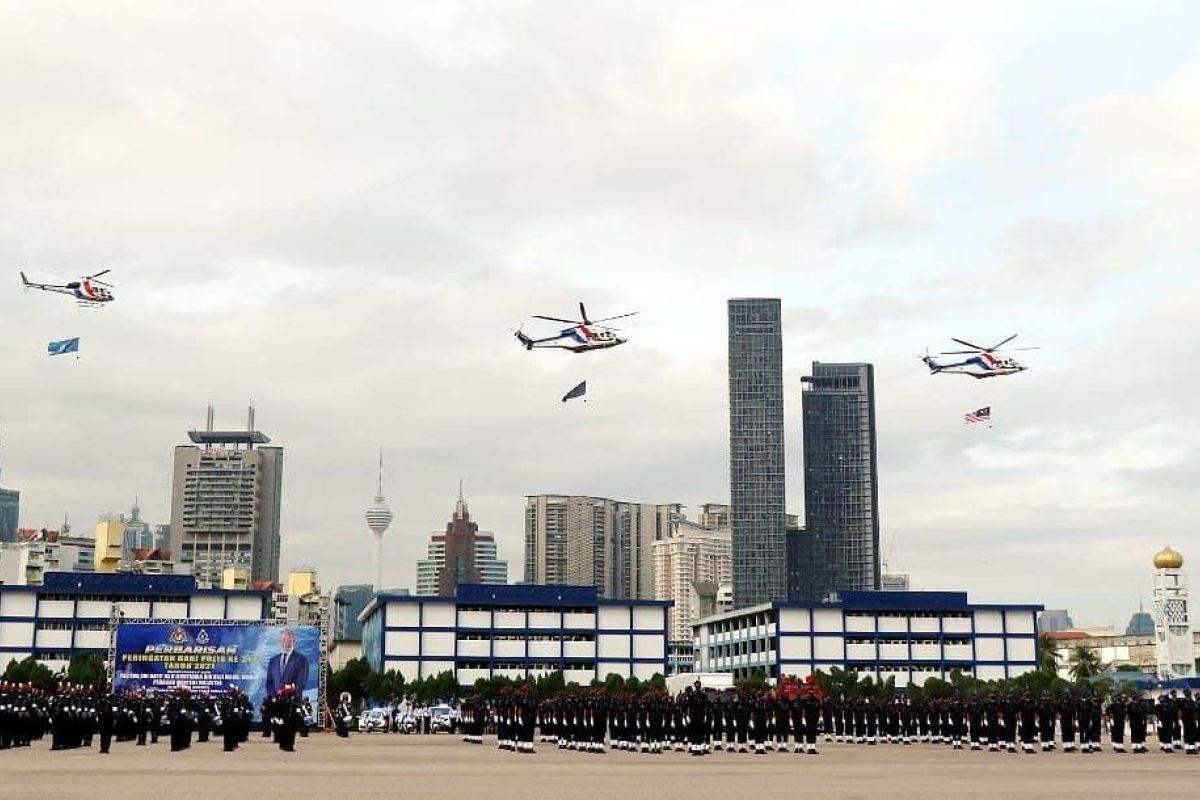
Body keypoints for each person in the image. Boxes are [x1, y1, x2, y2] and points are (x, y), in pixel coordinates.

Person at [266, 629, 310, 699]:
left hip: (292, 704)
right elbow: (269, 683)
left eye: (289, 640)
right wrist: (274, 697)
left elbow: (301, 684)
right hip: (275, 704)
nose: (286, 642)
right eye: (283, 640)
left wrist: (285, 693)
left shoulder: (302, 660)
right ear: (280, 641)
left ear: (294, 642)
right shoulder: (273, 661)